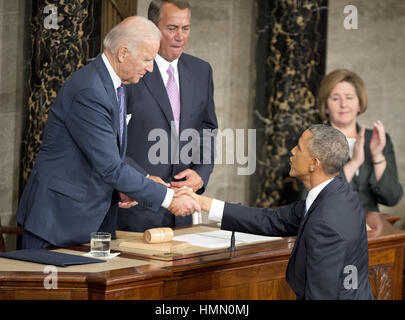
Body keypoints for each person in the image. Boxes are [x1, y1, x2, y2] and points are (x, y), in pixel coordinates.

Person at [16, 16, 200, 249]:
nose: (150, 68)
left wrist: (144, 180)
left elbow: (110, 153)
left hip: (87, 224)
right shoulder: (90, 91)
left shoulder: (112, 85)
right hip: (57, 224)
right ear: (123, 53)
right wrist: (169, 199)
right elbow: (111, 168)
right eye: (147, 59)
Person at [177, 124, 374, 300]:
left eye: (299, 147)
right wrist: (202, 202)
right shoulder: (337, 193)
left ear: (314, 164)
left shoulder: (324, 223)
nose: (292, 151)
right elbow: (270, 220)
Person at [117, 0, 218, 232]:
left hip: (182, 211)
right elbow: (113, 141)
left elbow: (207, 129)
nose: (180, 37)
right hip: (135, 209)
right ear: (153, 28)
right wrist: (143, 182)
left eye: (186, 28)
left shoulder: (201, 70)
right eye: (172, 28)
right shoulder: (130, 70)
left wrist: (201, 174)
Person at [317, 69, 403, 229]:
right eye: (335, 98)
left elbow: (391, 198)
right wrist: (355, 162)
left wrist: (377, 156)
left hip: (371, 232)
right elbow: (315, 198)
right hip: (328, 230)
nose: (343, 104)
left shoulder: (377, 139)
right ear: (326, 107)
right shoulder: (314, 140)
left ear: (359, 103)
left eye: (349, 97)